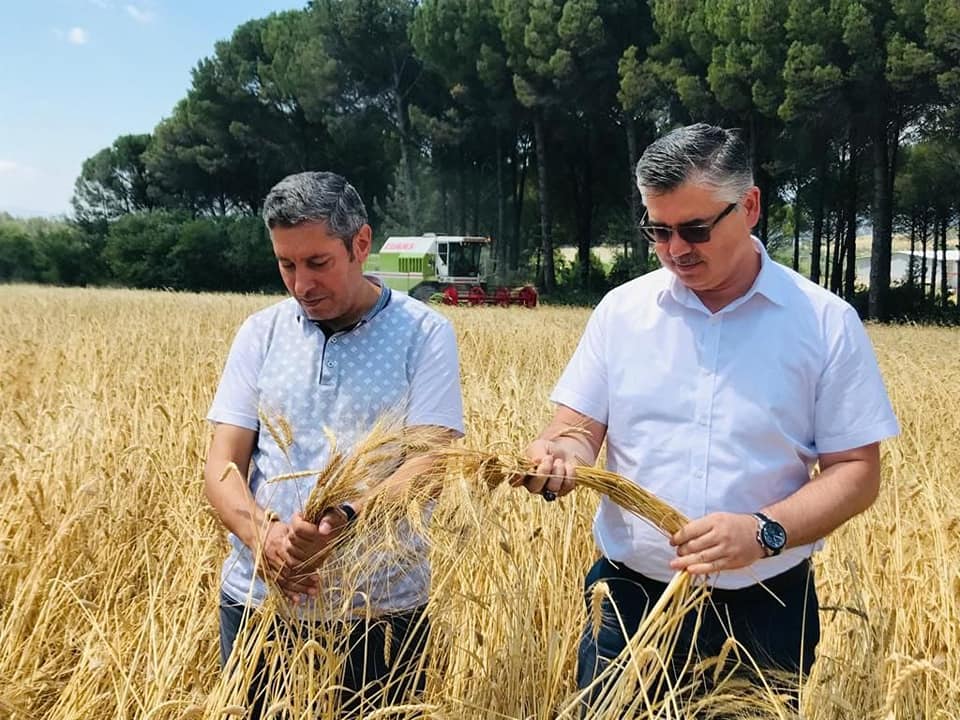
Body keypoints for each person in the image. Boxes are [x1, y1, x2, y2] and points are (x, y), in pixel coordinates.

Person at [516, 124, 899, 706]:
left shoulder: (824, 323)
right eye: (658, 230)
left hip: (763, 607)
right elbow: (575, 428)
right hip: (627, 602)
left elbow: (857, 472)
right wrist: (561, 456)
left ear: (748, 207)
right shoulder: (622, 313)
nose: (675, 250)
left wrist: (763, 532)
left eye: (694, 229)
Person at [204, 171, 464, 716]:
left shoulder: (424, 334)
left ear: (361, 244)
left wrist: (344, 519)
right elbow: (222, 463)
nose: (301, 284)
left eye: (317, 263)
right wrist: (265, 539)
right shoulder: (260, 333)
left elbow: (433, 458)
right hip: (259, 603)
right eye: (286, 264)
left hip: (379, 612)